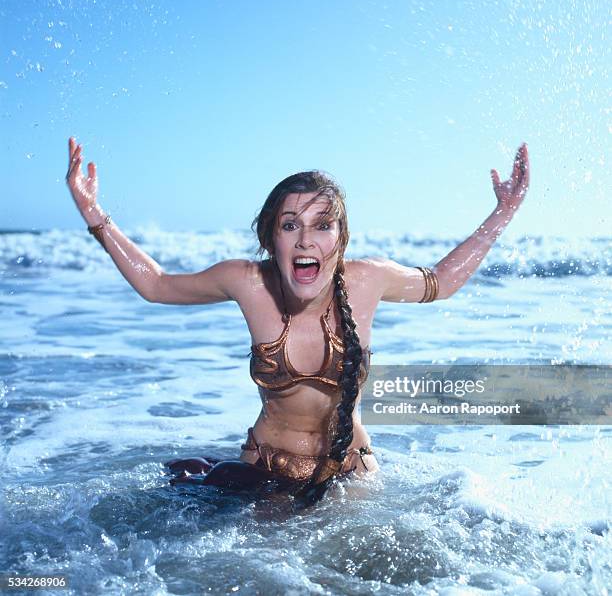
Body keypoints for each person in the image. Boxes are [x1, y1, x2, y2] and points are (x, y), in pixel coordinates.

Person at [65, 137, 530, 506]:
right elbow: (158, 286)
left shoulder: (367, 281)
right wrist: (95, 216)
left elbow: (441, 281)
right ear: (270, 239)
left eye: (323, 225)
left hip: (350, 471)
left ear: (341, 239)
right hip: (264, 469)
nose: (306, 238)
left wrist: (503, 212)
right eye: (290, 225)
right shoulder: (247, 283)